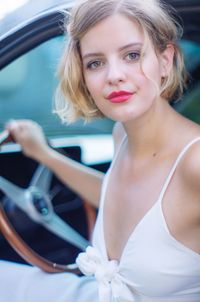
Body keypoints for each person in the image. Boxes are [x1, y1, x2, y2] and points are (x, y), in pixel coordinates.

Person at [1, 0, 200, 301]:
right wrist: (44, 154)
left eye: (132, 55)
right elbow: (116, 198)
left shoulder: (195, 164)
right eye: (95, 62)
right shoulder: (122, 135)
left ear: (165, 60)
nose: (114, 75)